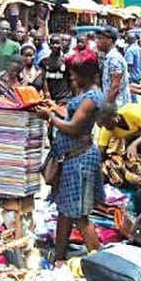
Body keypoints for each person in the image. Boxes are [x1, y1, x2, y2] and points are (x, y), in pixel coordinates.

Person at [37, 49, 104, 263]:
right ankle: (59, 257)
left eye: (76, 73)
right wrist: (55, 108)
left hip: (80, 160)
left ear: (88, 73)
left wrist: (50, 118)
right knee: (65, 211)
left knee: (79, 214)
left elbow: (74, 127)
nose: (72, 77)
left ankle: (101, 262)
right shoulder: (85, 93)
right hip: (72, 159)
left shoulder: (92, 97)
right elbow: (71, 115)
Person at [96, 26, 129, 108]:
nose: (98, 42)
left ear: (109, 41)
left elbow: (115, 86)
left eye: (101, 39)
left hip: (118, 106)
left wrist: (106, 106)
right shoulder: (109, 57)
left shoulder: (114, 58)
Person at [41, 34, 72, 103]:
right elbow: (44, 78)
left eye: (57, 43)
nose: (55, 46)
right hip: (50, 97)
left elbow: (71, 78)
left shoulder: (66, 61)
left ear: (61, 44)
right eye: (53, 43)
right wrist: (46, 92)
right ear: (49, 45)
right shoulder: (45, 61)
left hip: (63, 97)